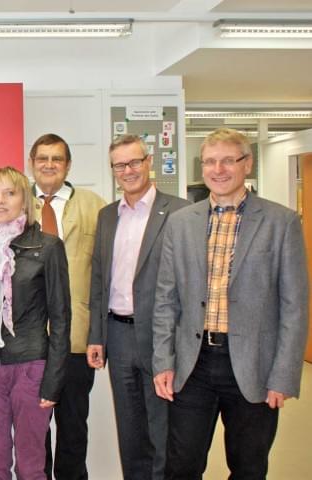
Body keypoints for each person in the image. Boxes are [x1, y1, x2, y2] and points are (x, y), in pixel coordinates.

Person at [153, 128, 309, 479]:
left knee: (249, 467)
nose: (218, 169)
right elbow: (166, 299)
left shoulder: (281, 222)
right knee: (182, 465)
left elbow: (295, 306)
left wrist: (283, 375)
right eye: (210, 161)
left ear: (247, 163)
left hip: (253, 365)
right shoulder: (180, 224)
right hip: (192, 365)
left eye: (228, 160)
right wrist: (163, 361)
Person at [0, 166, 71, 480]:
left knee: (30, 466)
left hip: (31, 367)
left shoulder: (48, 247)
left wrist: (53, 380)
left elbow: (61, 319)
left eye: (10, 192)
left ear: (25, 199)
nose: (1, 200)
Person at [86, 135, 188, 480]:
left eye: (134, 162)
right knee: (130, 433)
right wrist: (96, 336)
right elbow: (99, 278)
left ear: (148, 163)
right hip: (117, 334)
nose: (128, 170)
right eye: (120, 165)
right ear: (113, 170)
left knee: (164, 431)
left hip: (162, 337)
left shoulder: (179, 211)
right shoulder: (106, 216)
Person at [28, 133, 105, 480]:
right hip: (28, 341)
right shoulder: (14, 204)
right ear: (31, 164)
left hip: (75, 337)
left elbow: (106, 274)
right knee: (34, 432)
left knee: (74, 427)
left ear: (68, 165)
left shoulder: (94, 205)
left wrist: (99, 335)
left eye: (56, 159)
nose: (49, 164)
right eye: (42, 158)